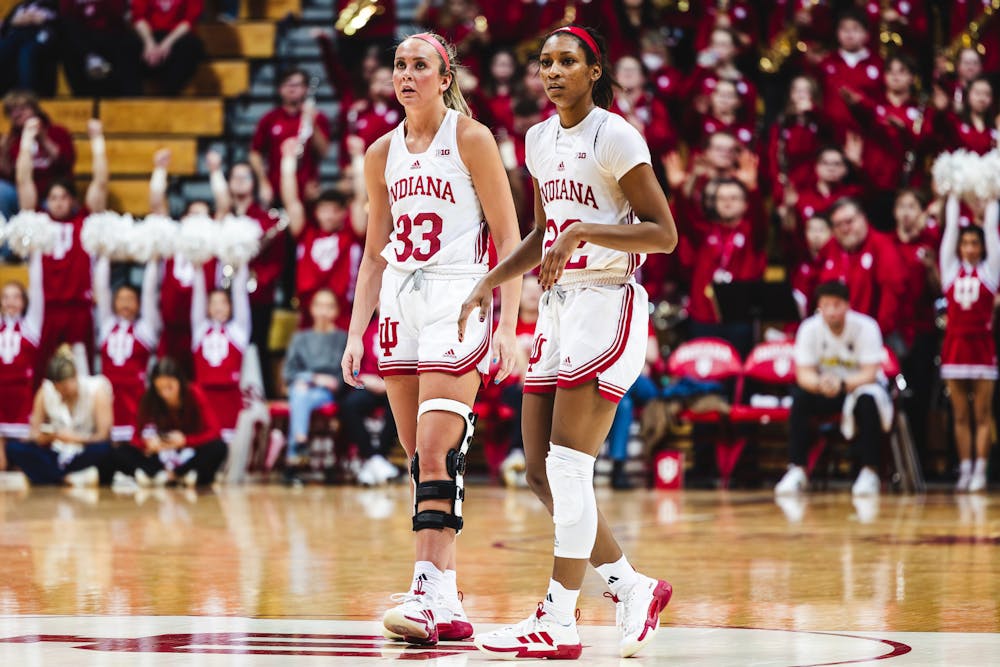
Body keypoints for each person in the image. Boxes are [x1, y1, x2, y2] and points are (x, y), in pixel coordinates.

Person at [462, 26, 677, 660]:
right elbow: (540, 233)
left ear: (594, 70)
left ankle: (559, 618)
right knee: (537, 470)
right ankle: (632, 587)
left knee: (568, 467)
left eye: (566, 61)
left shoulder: (615, 135)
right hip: (556, 308)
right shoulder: (536, 139)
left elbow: (664, 234)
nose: (552, 71)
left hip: (607, 301)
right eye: (545, 61)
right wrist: (490, 282)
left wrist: (583, 231)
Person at [340, 31, 522, 645]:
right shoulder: (379, 153)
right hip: (398, 300)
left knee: (437, 443)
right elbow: (371, 254)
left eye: (420, 65)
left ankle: (422, 587)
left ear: (446, 78)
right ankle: (446, 596)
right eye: (399, 65)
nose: (407, 75)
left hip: (458, 297)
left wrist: (510, 323)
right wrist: (355, 332)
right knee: (421, 460)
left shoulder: (471, 139)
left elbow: (510, 236)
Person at [775, 280, 892, 497]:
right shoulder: (809, 328)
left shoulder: (866, 327)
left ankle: (870, 471)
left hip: (859, 387)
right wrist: (820, 384)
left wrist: (844, 384)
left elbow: (869, 373)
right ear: (819, 306)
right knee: (800, 399)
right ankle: (797, 469)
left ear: (847, 306)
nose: (831, 311)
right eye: (826, 305)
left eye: (836, 305)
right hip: (827, 389)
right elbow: (804, 374)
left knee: (868, 403)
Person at [16, 115, 106, 371]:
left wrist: (97, 141)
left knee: (82, 373)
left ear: (73, 201)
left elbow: (100, 183)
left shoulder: (84, 221)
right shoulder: (39, 221)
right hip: (46, 308)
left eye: (63, 197)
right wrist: (26, 140)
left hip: (79, 309)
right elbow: (24, 181)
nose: (57, 202)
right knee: (45, 374)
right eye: (53, 197)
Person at [209, 150, 286, 399]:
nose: (240, 181)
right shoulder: (223, 217)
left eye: (245, 176)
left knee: (257, 348)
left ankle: (261, 397)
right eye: (234, 177)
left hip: (257, 298)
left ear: (254, 182)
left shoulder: (267, 220)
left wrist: (257, 280)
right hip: (225, 298)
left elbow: (277, 262)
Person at [939, 194, 998, 493]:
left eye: (976, 244)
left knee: (982, 414)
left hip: (982, 349)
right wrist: (952, 194)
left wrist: (991, 199)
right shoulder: (950, 272)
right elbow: (949, 230)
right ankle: (964, 468)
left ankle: (980, 469)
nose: (971, 248)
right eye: (966, 244)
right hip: (955, 347)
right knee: (960, 414)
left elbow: (991, 230)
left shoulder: (990, 274)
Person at [149, 149, 218, 378]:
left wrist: (216, 172)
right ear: (184, 218)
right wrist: (159, 171)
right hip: (171, 329)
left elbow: (225, 206)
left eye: (204, 216)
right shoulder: (173, 240)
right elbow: (157, 206)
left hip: (200, 329)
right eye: (193, 215)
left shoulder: (213, 246)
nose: (198, 221)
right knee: (166, 380)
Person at [4, 346, 114, 486]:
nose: (62, 394)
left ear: (75, 377)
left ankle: (46, 476)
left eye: (66, 389)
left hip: (84, 450)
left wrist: (75, 439)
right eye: (58, 390)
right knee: (14, 448)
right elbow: (34, 434)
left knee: (106, 450)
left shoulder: (97, 389)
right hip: (55, 452)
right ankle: (67, 477)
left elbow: (103, 436)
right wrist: (46, 438)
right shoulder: (45, 391)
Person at [115, 357, 228, 487]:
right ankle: (161, 475)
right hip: (159, 456)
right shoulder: (148, 399)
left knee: (219, 447)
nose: (165, 393)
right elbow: (135, 438)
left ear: (180, 382)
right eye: (160, 389)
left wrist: (185, 440)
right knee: (121, 450)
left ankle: (181, 474)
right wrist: (148, 444)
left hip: (188, 452)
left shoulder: (194, 394)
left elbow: (215, 432)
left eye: (170, 387)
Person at [280, 289, 347, 483]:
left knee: (301, 394)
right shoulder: (300, 338)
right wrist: (313, 377)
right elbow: (288, 372)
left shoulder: (342, 338)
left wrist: (318, 381)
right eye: (320, 305)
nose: (324, 311)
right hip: (303, 385)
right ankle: (299, 442)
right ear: (312, 309)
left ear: (335, 311)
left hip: (325, 392)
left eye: (329, 306)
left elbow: (341, 376)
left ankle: (294, 458)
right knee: (300, 392)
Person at [94, 255, 160, 444]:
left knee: (137, 443)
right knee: (109, 443)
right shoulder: (106, 325)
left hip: (136, 397)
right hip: (108, 397)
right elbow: (102, 289)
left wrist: (152, 258)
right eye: (121, 298)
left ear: (138, 304)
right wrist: (106, 254)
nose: (125, 303)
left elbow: (149, 292)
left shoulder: (145, 329)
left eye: (130, 299)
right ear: (114, 303)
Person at [191, 254, 250, 445]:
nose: (218, 307)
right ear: (206, 307)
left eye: (223, 303)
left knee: (231, 443)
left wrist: (242, 257)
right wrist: (198, 262)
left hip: (230, 397)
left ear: (231, 307)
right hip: (204, 396)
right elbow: (198, 293)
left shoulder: (238, 331)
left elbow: (240, 293)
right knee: (207, 441)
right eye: (213, 303)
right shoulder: (200, 329)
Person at [250, 67, 331, 206]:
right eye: (288, 84)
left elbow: (323, 151)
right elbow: (255, 153)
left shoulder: (317, 118)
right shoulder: (270, 118)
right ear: (280, 89)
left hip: (307, 191)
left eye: (298, 85)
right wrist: (263, 182)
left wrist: (312, 123)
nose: (292, 89)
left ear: (306, 89)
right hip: (276, 189)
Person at [1, 90, 75, 217]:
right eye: (11, 110)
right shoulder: (11, 139)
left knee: (57, 201)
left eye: (22, 108)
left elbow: (66, 162)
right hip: (20, 194)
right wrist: (2, 153)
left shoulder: (57, 132)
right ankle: (5, 234)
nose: (16, 114)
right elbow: (8, 175)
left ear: (35, 109)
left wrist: (44, 140)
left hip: (51, 193)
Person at [0, 250, 43, 467]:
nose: (11, 302)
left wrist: (35, 254)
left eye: (16, 296)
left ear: (25, 301)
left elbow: (37, 288)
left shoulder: (31, 326)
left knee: (19, 460)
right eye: (6, 297)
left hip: (22, 399)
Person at [59, 0, 143, 97]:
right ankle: (82, 101)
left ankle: (131, 101)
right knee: (67, 43)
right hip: (81, 38)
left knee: (130, 45)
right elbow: (67, 17)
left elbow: (117, 14)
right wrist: (89, 53)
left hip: (112, 34)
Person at [131, 0, 204, 94]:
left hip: (179, 35)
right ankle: (132, 97)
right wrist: (149, 42)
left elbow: (189, 20)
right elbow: (138, 17)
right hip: (149, 34)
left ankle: (170, 93)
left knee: (189, 49)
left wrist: (167, 43)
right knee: (128, 48)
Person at [0, 0, 58, 96]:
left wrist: (41, 19)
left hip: (40, 37)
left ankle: (27, 96)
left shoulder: (53, 5)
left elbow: (61, 24)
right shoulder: (20, 6)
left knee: (27, 52)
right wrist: (12, 21)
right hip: (15, 36)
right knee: (3, 47)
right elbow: (6, 24)